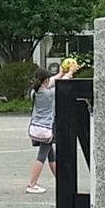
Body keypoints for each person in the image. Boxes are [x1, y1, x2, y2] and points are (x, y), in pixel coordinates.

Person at [26, 60, 78, 194]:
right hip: (46, 129)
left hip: (37, 127)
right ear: (45, 81)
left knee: (51, 155)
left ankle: (61, 181)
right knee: (42, 155)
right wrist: (69, 73)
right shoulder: (49, 94)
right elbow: (61, 85)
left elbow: (53, 82)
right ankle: (31, 184)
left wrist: (60, 73)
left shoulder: (35, 92)